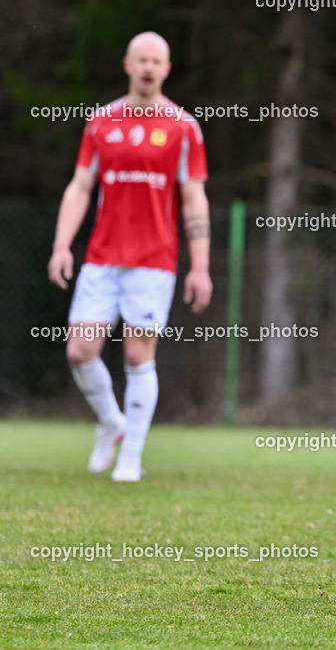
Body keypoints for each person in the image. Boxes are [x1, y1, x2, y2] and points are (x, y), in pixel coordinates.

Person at [47, 31, 212, 482]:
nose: (148, 68)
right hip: (102, 258)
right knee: (80, 349)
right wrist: (62, 245)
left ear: (167, 69)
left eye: (156, 61)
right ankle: (111, 423)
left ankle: (131, 458)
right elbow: (80, 187)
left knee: (138, 355)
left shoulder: (183, 127)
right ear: (127, 64)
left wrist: (200, 267)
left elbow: (194, 198)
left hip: (153, 261)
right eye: (141, 59)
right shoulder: (101, 122)